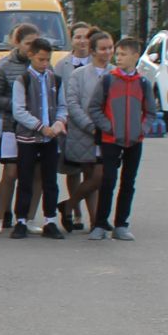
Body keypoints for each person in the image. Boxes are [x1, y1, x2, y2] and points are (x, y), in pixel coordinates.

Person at [87, 36, 157, 241]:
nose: (118, 58)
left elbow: (150, 112)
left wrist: (141, 129)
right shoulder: (108, 80)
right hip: (110, 140)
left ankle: (121, 224)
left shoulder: (143, 83)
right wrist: (109, 127)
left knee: (128, 182)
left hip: (134, 141)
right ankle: (100, 224)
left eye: (123, 54)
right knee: (108, 180)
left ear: (135, 56)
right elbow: (94, 107)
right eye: (117, 54)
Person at [8, 37, 67, 240]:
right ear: (31, 55)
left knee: (50, 180)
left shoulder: (55, 79)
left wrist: (59, 122)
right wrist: (41, 127)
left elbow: (62, 106)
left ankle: (50, 220)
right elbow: (19, 111)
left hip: (50, 139)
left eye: (47, 59)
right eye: (41, 59)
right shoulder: (22, 80)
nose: (44, 63)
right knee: (25, 180)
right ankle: (21, 220)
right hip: (28, 139)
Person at [0, 22, 40, 232]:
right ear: (18, 43)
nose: (31, 48)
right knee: (10, 172)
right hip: (11, 126)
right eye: (28, 43)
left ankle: (28, 217)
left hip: (37, 127)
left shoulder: (42, 64)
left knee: (36, 173)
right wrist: (18, 106)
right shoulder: (5, 65)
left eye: (35, 44)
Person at [61, 30, 114, 229]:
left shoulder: (115, 73)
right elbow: (72, 103)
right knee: (92, 176)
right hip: (84, 133)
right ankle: (95, 221)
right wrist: (90, 126)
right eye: (102, 48)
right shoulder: (79, 75)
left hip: (108, 134)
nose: (107, 52)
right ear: (92, 51)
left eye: (110, 48)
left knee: (99, 176)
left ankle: (69, 205)